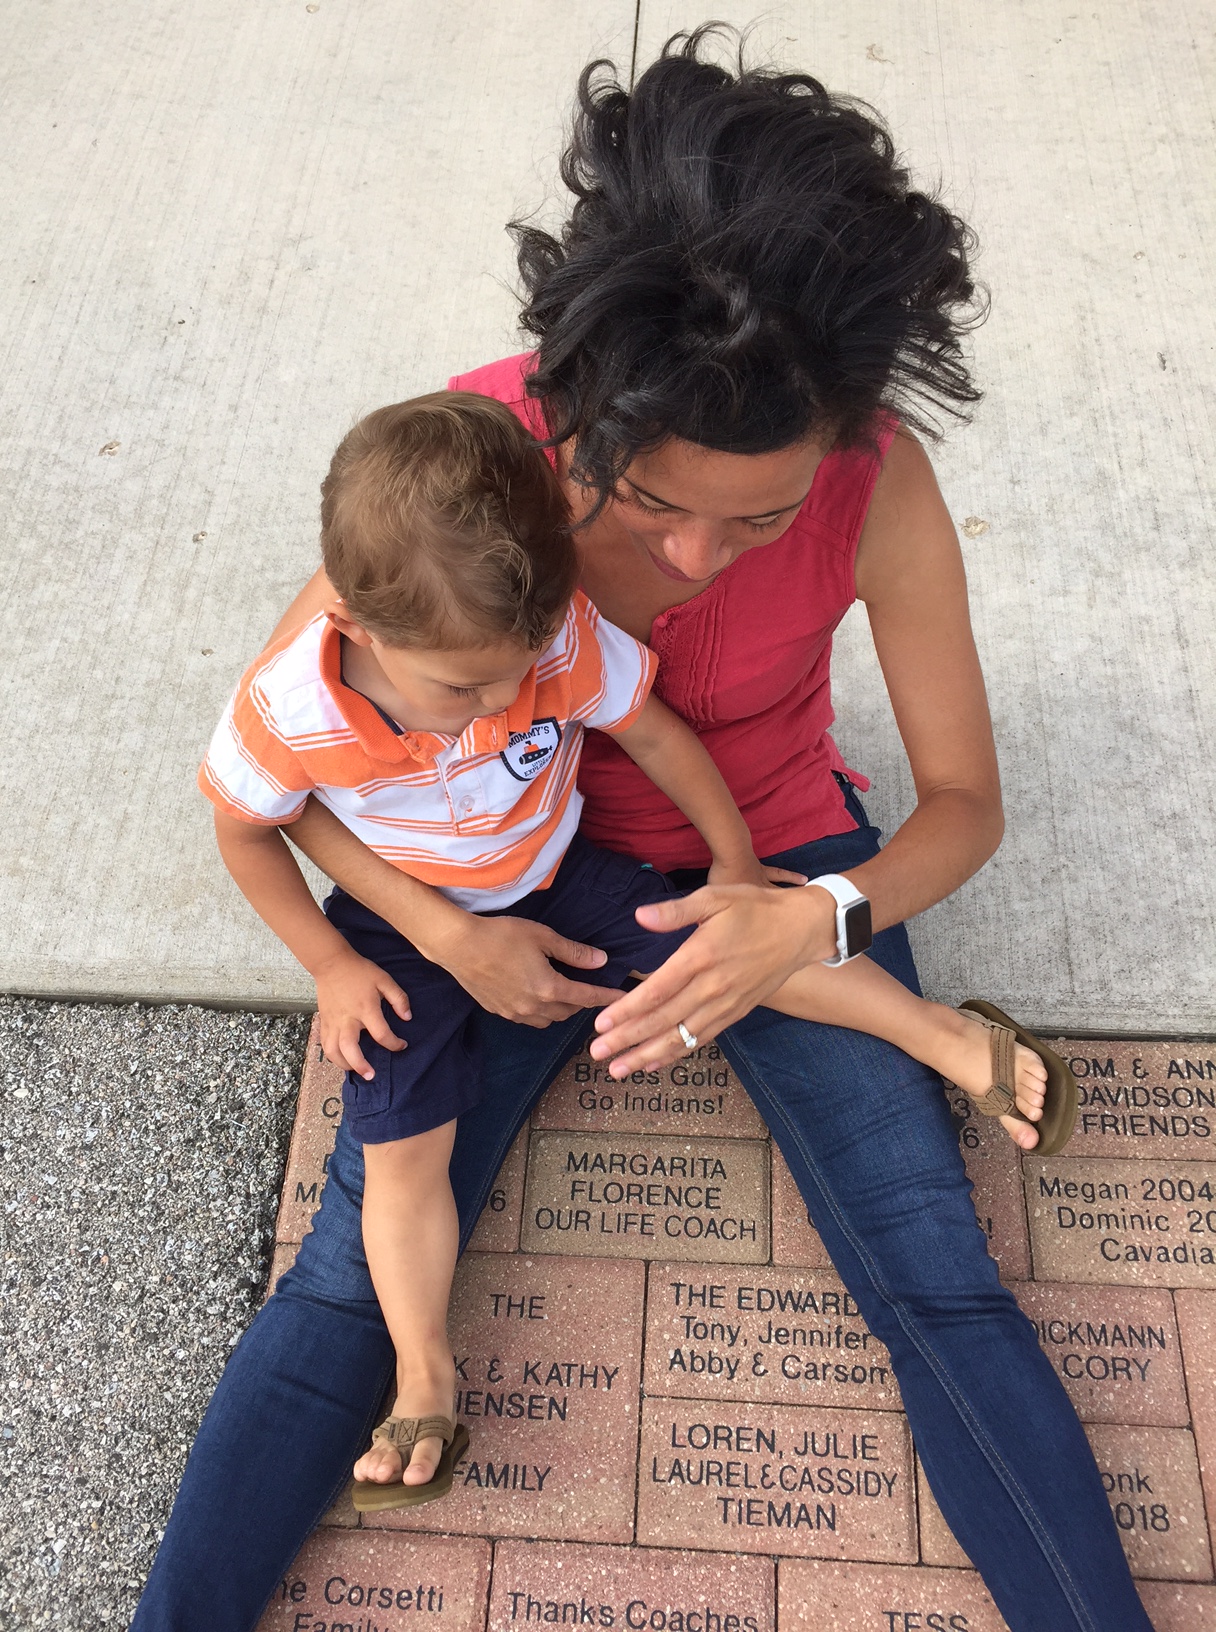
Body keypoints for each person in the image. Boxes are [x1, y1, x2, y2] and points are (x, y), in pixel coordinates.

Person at [135, 28, 1153, 1632]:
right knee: (347, 1279)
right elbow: (299, 752)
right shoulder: (470, 474)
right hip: (509, 883)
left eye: (760, 516)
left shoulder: (879, 482)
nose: (690, 560)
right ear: (576, 408)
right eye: (649, 501)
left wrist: (811, 915)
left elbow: (965, 805)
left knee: (938, 1279)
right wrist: (440, 929)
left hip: (779, 862)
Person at [201, 390, 1062, 1505]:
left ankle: (938, 1033)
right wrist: (332, 964)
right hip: (398, 926)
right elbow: (247, 828)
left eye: (517, 674)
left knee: (717, 946)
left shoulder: (544, 628)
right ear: (360, 630)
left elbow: (651, 731)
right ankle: (424, 1369)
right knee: (403, 1150)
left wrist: (734, 865)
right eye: (462, 687)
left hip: (560, 866)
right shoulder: (288, 706)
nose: (502, 704)